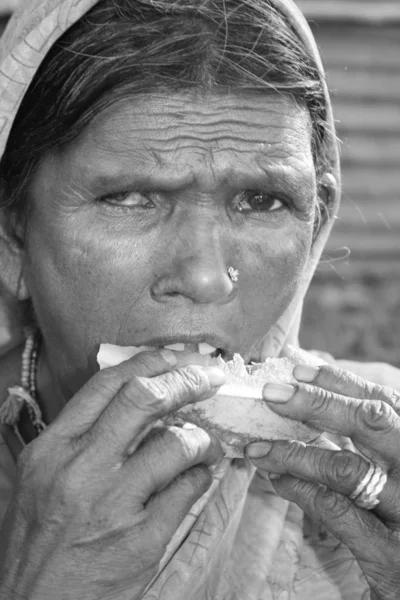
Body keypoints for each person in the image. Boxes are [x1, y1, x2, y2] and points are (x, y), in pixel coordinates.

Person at [0, 0, 399, 598]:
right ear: (12, 238)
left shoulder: (381, 460)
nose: (209, 279)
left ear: (315, 228)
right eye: (132, 197)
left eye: (262, 202)